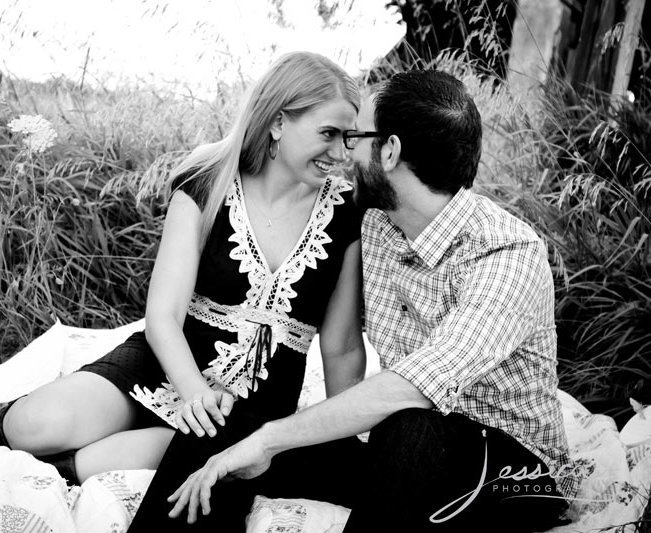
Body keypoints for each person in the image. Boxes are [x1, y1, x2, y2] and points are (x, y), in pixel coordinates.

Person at [0, 51, 366, 493]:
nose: (342, 152)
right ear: (278, 121)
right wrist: (190, 392)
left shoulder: (347, 214)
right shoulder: (209, 182)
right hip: (168, 361)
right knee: (38, 424)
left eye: (349, 137)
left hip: (248, 402)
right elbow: (162, 315)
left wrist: (335, 440)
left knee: (120, 460)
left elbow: (340, 347)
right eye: (329, 133)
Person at [125, 70, 578, 532]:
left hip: (512, 475)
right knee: (226, 423)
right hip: (401, 457)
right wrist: (261, 437)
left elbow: (415, 387)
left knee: (407, 425)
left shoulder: (507, 252)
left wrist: (272, 441)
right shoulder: (378, 224)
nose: (344, 154)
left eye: (355, 137)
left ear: (390, 150)